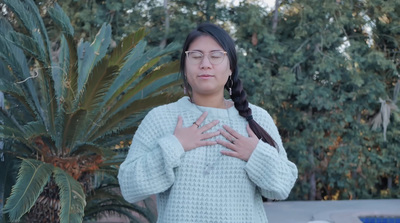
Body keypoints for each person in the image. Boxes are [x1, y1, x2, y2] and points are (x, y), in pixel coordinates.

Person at [118, 23, 298, 223]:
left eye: (215, 56)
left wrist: (255, 153)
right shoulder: (161, 118)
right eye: (196, 56)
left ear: (230, 67)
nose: (205, 64)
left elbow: (282, 187)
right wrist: (174, 145)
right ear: (185, 67)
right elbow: (129, 186)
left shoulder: (256, 118)